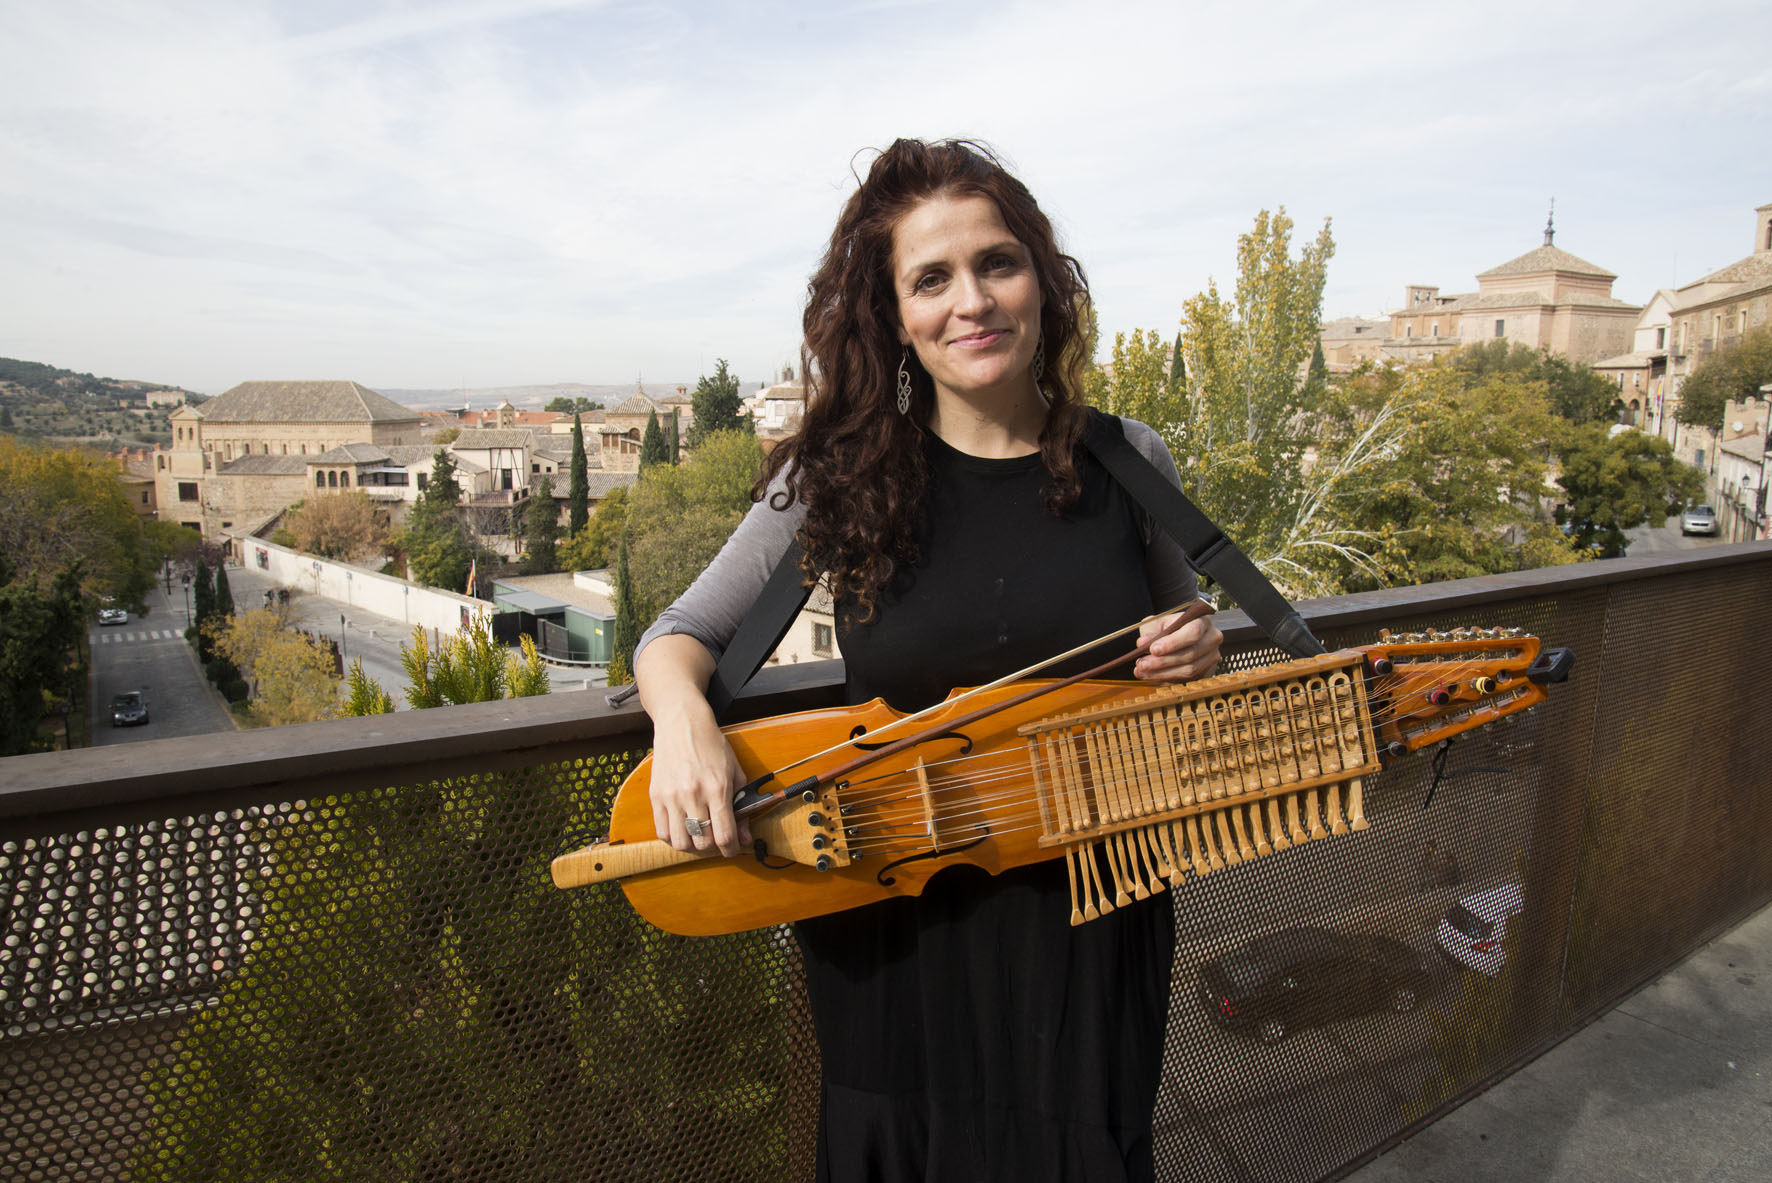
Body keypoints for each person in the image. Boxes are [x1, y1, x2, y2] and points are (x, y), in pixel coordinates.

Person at [634, 138, 1222, 1183]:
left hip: (1091, 919)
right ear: (892, 314)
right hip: (889, 917)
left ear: (1040, 277)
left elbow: (1186, 668)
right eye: (930, 278)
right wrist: (683, 727)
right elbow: (676, 637)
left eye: (996, 262)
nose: (972, 301)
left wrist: (1197, 652)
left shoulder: (1131, 461)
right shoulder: (836, 479)